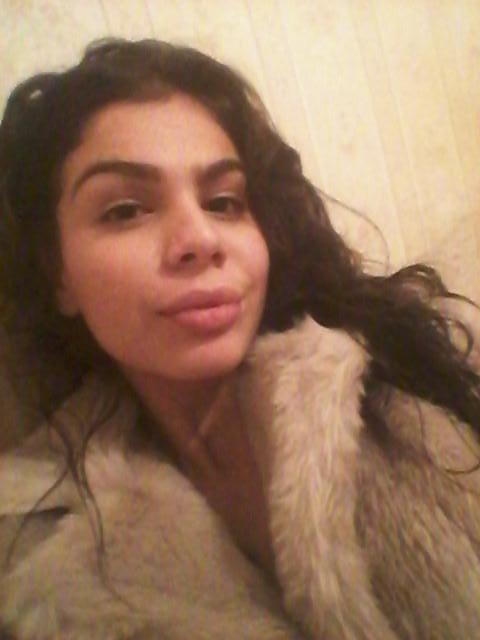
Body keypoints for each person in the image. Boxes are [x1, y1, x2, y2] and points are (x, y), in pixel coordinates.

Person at [0, 38, 479, 640]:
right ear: (58, 274)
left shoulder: (401, 378)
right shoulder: (41, 552)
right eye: (125, 210)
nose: (201, 238)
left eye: (224, 201)